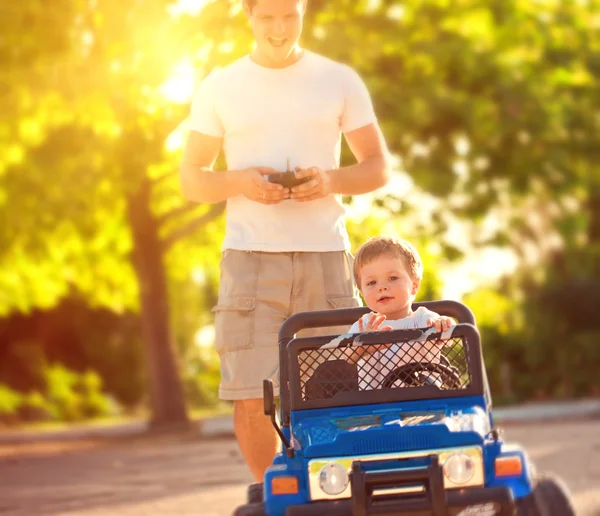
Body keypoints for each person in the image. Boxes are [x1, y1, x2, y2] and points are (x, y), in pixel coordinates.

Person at [179, 0, 390, 481]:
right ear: (248, 16)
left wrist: (330, 180)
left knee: (334, 393)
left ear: (303, 12)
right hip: (250, 263)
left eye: (289, 16)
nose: (279, 28)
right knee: (253, 397)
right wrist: (241, 182)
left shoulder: (338, 80)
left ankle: (330, 497)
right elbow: (191, 180)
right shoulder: (220, 86)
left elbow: (378, 166)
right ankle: (277, 500)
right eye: (268, 17)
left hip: (326, 258)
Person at [327, 236, 456, 389]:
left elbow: (448, 334)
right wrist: (362, 348)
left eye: (392, 278)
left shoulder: (423, 318)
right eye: (372, 283)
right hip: (374, 405)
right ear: (361, 291)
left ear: (414, 285)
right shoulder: (365, 325)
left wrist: (444, 324)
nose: (382, 287)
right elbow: (345, 363)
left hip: (425, 401)